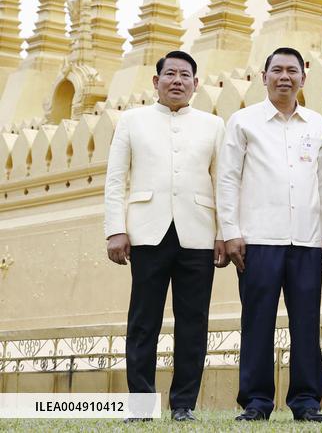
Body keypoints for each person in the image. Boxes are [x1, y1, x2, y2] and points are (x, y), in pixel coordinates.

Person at [104, 50, 227, 422]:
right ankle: (141, 405)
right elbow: (115, 180)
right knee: (143, 321)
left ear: (196, 83)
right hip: (146, 233)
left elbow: (223, 183)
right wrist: (116, 229)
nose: (177, 80)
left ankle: (184, 404)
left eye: (185, 75)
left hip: (199, 235)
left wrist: (224, 234)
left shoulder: (213, 125)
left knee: (194, 322)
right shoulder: (132, 121)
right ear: (155, 82)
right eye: (170, 74)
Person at [217, 47, 322, 423]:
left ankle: (306, 401)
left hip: (306, 239)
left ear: (305, 76)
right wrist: (231, 232)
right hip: (257, 240)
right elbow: (227, 178)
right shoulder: (243, 121)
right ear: (263, 75)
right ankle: (256, 401)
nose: (285, 77)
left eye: (292, 70)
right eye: (277, 70)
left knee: (306, 321)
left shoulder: (317, 123)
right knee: (257, 320)